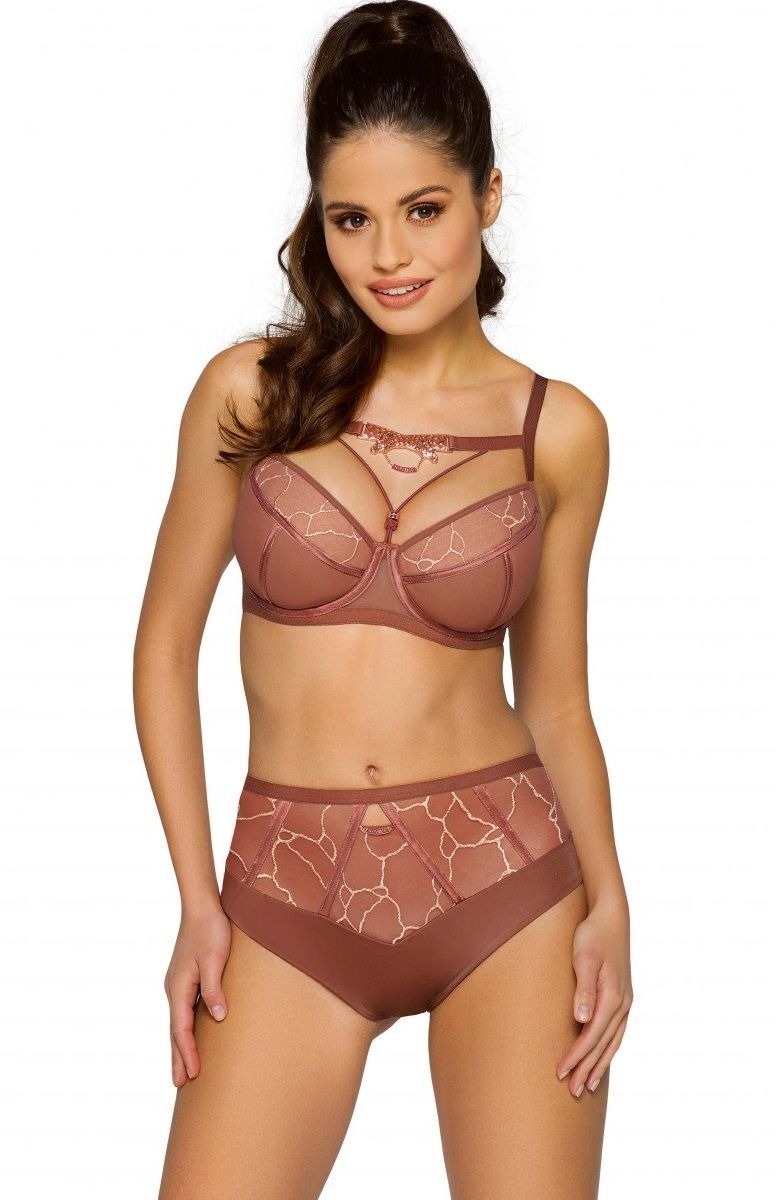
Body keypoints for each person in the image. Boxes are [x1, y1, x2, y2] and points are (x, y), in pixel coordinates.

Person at [134, 3, 633, 1196]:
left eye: (423, 210)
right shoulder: (250, 394)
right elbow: (161, 650)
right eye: (349, 218)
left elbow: (555, 700)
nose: (387, 257)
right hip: (283, 894)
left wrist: (610, 905)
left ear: (487, 197)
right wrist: (196, 900)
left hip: (506, 890)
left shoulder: (557, 430)